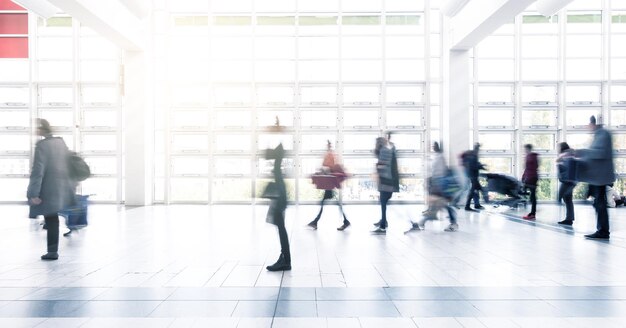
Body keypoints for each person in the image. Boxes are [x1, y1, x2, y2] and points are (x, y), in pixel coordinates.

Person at [27, 119, 76, 261]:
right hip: (62, 186)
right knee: (53, 218)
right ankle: (52, 249)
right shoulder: (60, 143)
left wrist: (33, 193)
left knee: (51, 218)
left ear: (41, 130)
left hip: (48, 189)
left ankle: (52, 251)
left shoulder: (42, 146)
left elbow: (38, 171)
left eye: (36, 128)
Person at [575, 115, 615, 240]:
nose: (587, 127)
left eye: (588, 124)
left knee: (600, 203)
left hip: (600, 177)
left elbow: (600, 153)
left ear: (592, 123)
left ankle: (603, 231)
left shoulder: (603, 134)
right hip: (597, 177)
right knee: (598, 203)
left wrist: (581, 152)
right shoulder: (600, 134)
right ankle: (602, 230)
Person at [410, 142, 458, 232]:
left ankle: (422, 223)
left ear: (438, 147)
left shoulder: (440, 157)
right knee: (438, 205)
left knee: (439, 205)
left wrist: (437, 185)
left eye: (434, 146)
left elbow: (440, 173)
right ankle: (422, 223)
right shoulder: (437, 156)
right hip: (438, 184)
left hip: (440, 184)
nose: (433, 147)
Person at [307, 140, 350, 231]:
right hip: (330, 183)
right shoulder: (330, 154)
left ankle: (316, 222)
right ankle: (345, 221)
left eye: (328, 145)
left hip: (330, 183)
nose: (327, 147)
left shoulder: (330, 155)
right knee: (331, 203)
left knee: (326, 203)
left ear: (329, 146)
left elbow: (329, 168)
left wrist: (322, 171)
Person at [372, 133, 399, 234]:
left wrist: (377, 170)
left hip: (386, 183)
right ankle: (383, 221)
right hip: (388, 183)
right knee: (383, 204)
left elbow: (382, 166)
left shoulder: (383, 151)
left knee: (383, 204)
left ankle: (383, 226)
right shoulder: (387, 150)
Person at [556, 142, 576, 225]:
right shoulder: (570, 154)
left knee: (562, 197)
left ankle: (569, 218)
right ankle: (569, 219)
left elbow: (565, 168)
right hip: (569, 180)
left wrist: (558, 162)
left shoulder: (565, 155)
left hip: (567, 180)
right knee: (568, 199)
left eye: (558, 147)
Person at [463, 143, 487, 211]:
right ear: (477, 148)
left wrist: (481, 165)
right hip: (473, 176)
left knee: (476, 190)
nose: (479, 150)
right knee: (474, 191)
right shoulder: (473, 155)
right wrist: (481, 167)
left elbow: (474, 164)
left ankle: (477, 204)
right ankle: (467, 206)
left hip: (472, 176)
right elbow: (473, 166)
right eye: (478, 148)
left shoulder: (473, 155)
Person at [521, 144, 539, 220]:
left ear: (528, 149)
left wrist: (525, 178)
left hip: (531, 178)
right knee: (532, 195)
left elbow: (528, 168)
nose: (524, 150)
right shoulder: (533, 156)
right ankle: (532, 213)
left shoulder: (530, 157)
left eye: (525, 149)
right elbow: (533, 167)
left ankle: (532, 213)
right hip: (532, 177)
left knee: (532, 195)